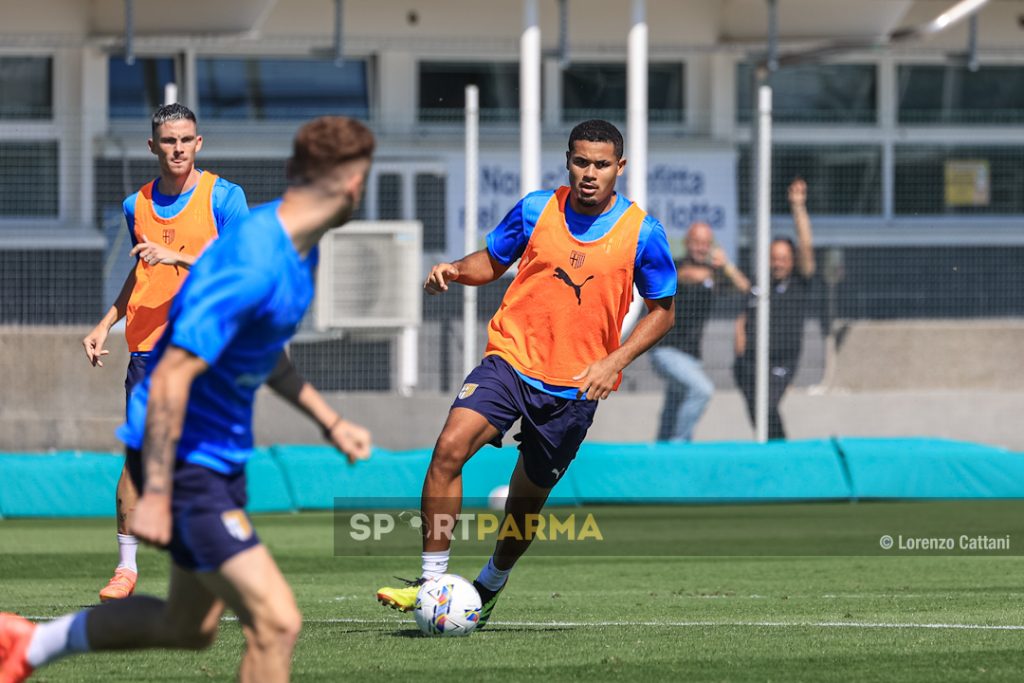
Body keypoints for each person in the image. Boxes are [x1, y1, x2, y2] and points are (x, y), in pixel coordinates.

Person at [0, 116, 375, 683]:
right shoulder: (254, 256)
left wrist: (330, 421)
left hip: (218, 460)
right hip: (187, 464)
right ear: (349, 183)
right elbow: (173, 375)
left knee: (187, 625)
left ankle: (31, 644)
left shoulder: (299, 254)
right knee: (276, 623)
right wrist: (155, 491)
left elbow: (261, 353)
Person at [376, 119, 676, 627]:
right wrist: (454, 269)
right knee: (450, 448)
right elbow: (492, 261)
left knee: (524, 501)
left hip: (576, 387)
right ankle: (430, 584)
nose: (589, 173)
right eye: (581, 161)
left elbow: (663, 312)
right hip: (510, 360)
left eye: (601, 164)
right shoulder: (537, 208)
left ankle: (490, 584)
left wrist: (613, 361)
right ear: (568, 161)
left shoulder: (642, 233)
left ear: (619, 168)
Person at [81, 103, 249, 603]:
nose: (177, 149)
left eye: (186, 140)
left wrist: (178, 256)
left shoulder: (224, 196)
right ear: (152, 146)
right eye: (168, 141)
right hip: (148, 351)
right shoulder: (137, 205)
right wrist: (107, 322)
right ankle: (126, 569)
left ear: (199, 143)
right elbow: (142, 270)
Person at [733, 178, 817, 440]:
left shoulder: (799, 283)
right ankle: (771, 447)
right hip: (749, 361)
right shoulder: (762, 281)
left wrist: (798, 207)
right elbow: (745, 310)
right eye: (774, 258)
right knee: (757, 414)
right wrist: (739, 343)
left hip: (781, 361)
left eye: (783, 258)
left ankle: (781, 448)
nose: (778, 263)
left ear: (791, 262)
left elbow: (806, 247)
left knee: (766, 406)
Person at [651, 222, 750, 442]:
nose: (701, 248)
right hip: (666, 351)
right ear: (687, 243)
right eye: (696, 242)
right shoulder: (676, 267)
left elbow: (745, 288)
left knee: (675, 404)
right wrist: (713, 274)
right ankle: (679, 444)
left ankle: (662, 449)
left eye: (706, 243)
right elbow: (690, 275)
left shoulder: (715, 275)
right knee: (702, 390)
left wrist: (727, 266)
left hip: (692, 357)